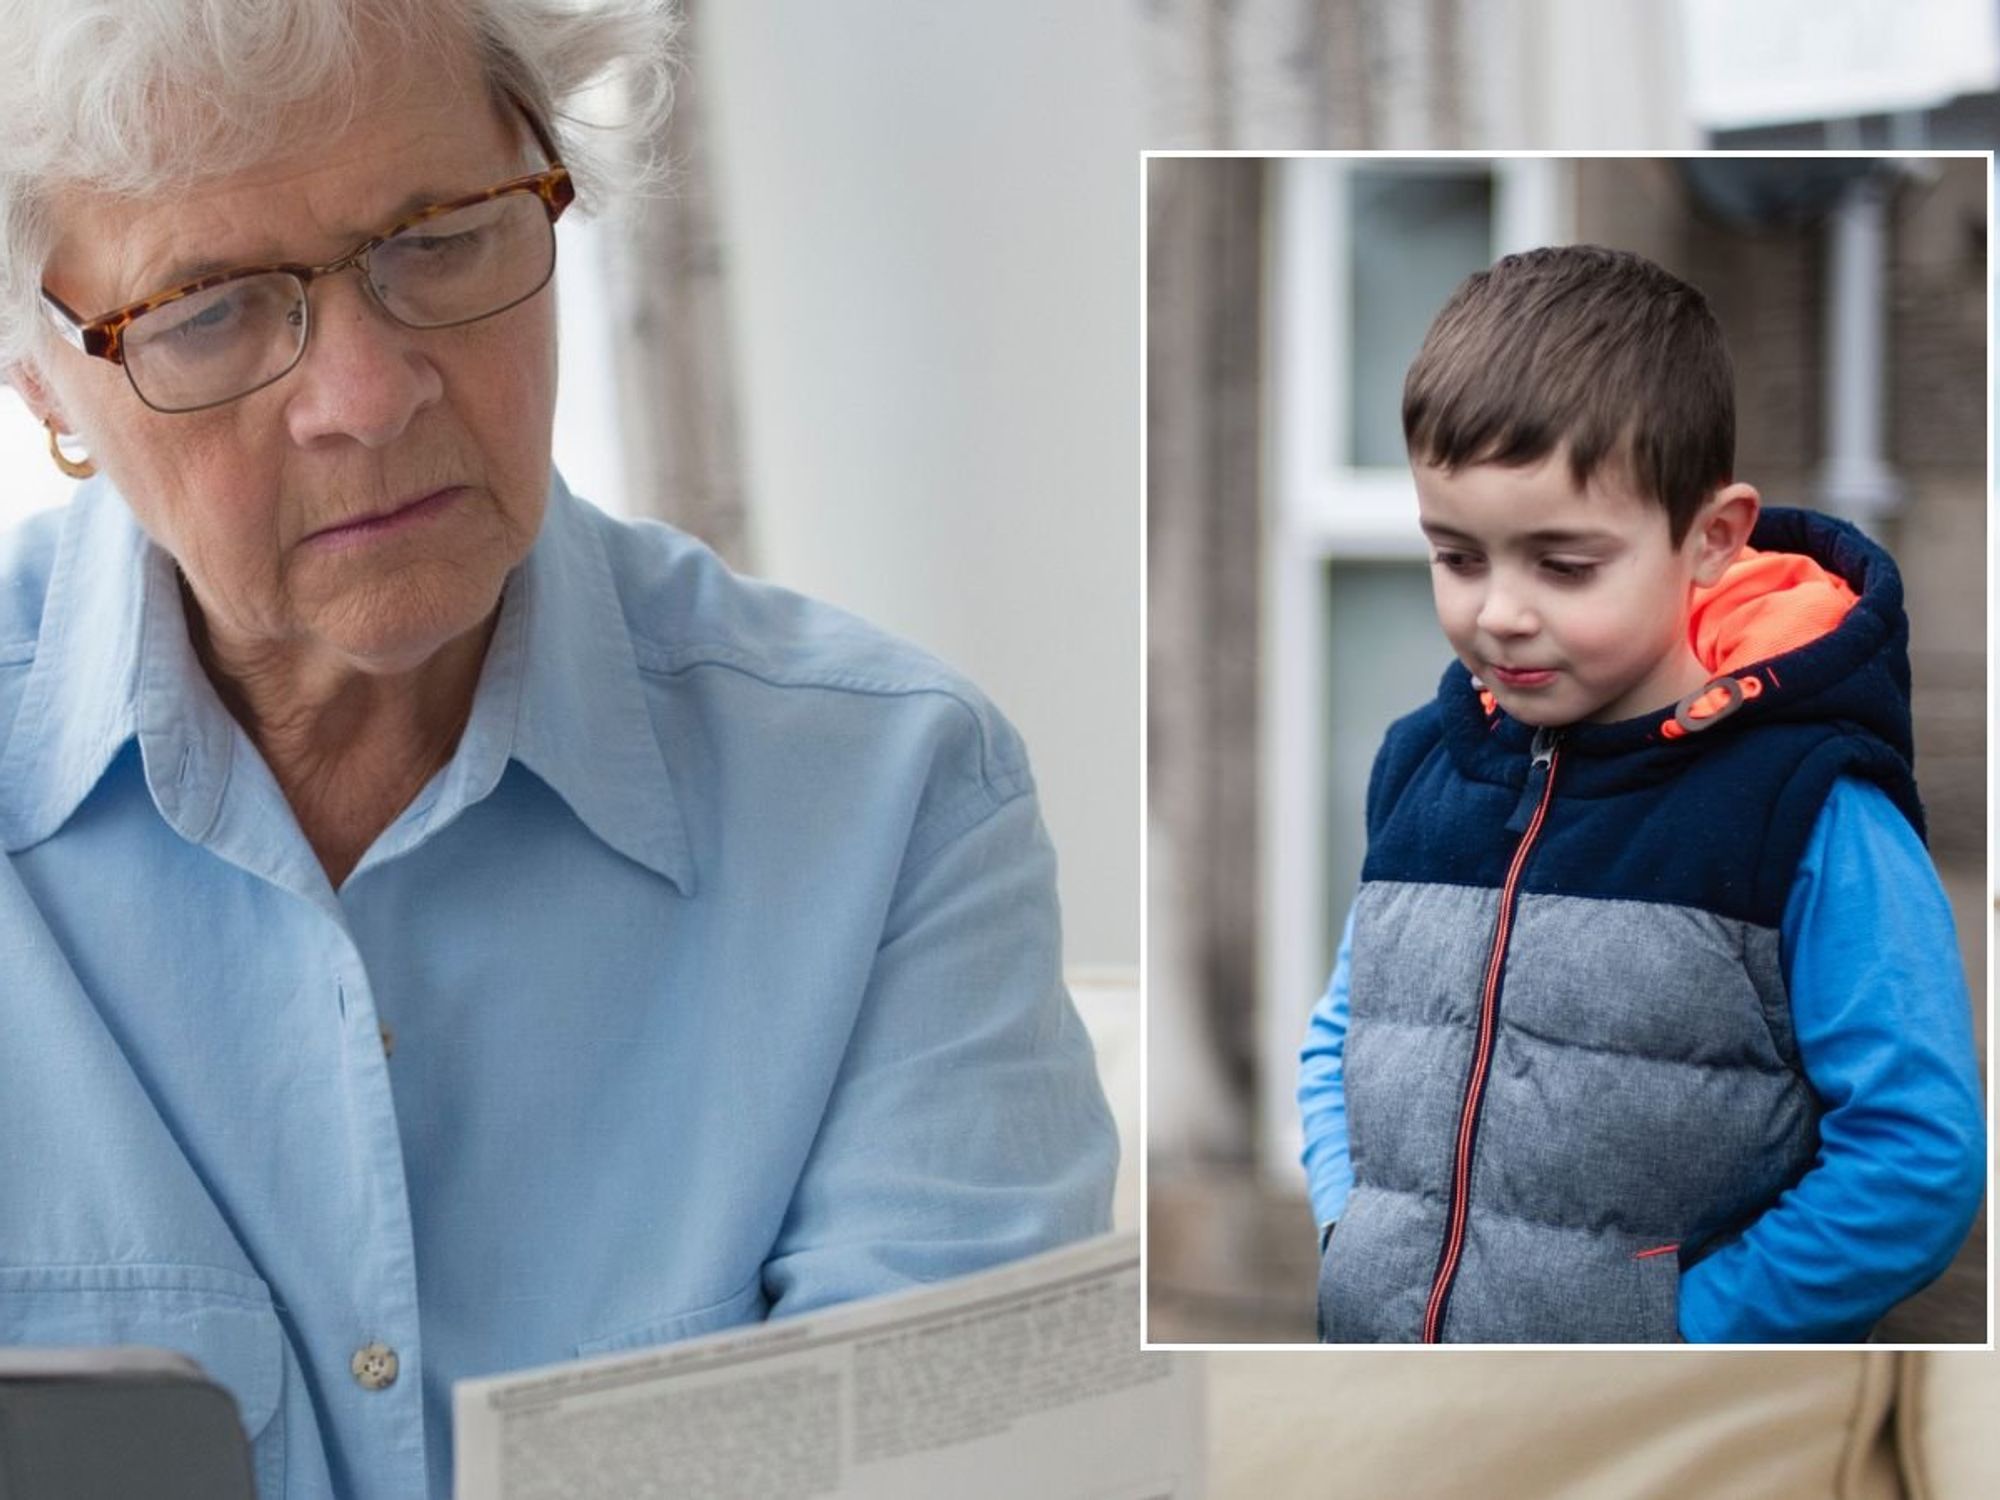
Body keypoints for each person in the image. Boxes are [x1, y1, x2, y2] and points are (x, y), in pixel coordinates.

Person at [0, 1, 1115, 1494]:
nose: (368, 397)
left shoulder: (892, 799)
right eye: (206, 312)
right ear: (48, 391)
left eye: (442, 239)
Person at [1297, 245, 1984, 1344]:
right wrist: (1351, 1234)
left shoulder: (1808, 809)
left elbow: (1914, 1159)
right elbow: (1339, 1039)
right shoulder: (1418, 766)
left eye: (1562, 565)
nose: (1499, 614)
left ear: (1709, 537)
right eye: (1456, 557)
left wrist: (1677, 1334)